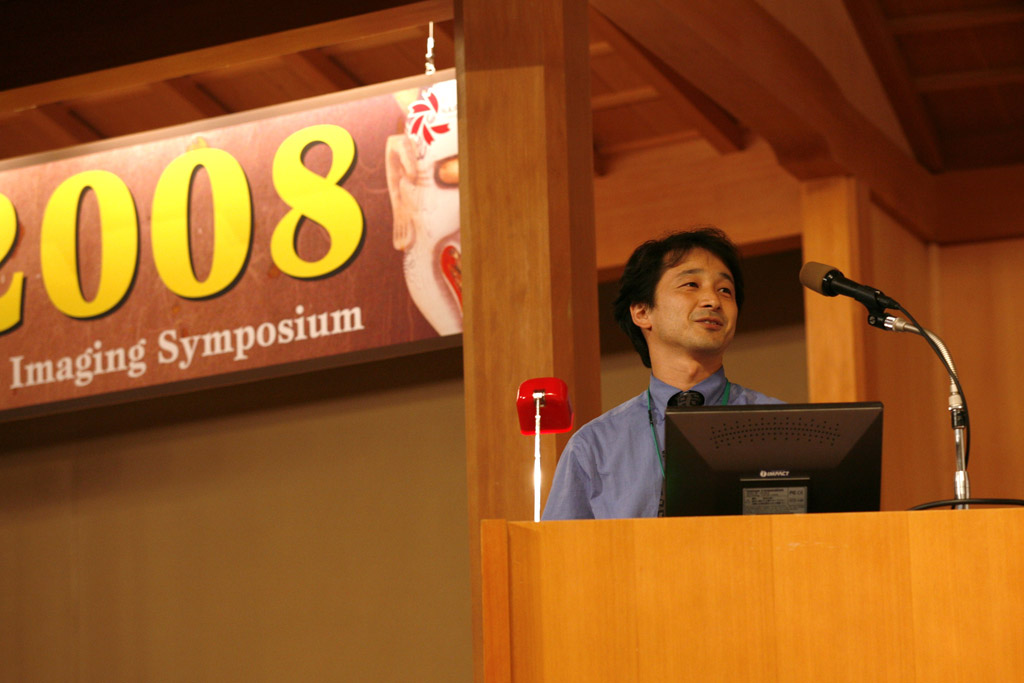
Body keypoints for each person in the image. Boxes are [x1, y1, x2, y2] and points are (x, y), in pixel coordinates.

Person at [542, 227, 782, 520]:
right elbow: (559, 548)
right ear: (642, 312)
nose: (713, 300)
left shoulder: (778, 426)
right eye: (691, 284)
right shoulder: (594, 447)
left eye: (725, 290)